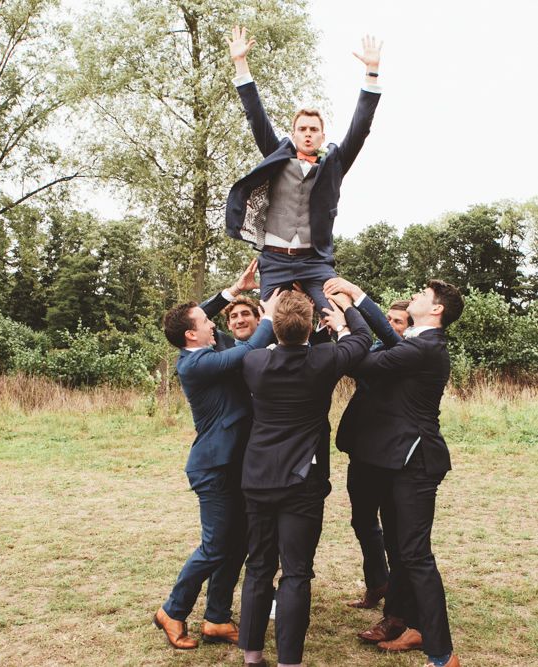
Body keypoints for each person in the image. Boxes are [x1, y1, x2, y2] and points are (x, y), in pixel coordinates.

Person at [237, 291, 372, 667]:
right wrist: (343, 312)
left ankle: (252, 657)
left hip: (258, 476)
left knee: (259, 567)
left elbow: (256, 343)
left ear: (273, 325)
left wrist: (267, 320)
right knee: (296, 572)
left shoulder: (253, 362)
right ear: (312, 327)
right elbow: (363, 340)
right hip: (302, 482)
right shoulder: (324, 359)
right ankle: (289, 662)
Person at [339, 280, 464, 667]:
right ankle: (411, 625)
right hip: (398, 463)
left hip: (417, 463)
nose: (416, 297)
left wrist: (347, 325)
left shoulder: (425, 347)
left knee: (415, 555)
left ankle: (443, 656)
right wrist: (357, 300)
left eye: (424, 296)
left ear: (437, 310)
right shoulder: (418, 342)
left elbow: (364, 361)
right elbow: (389, 340)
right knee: (406, 549)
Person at [154, 289, 282, 650]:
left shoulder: (202, 346)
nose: (214, 324)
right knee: (214, 547)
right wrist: (269, 317)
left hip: (232, 465)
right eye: (207, 322)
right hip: (212, 468)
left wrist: (227, 292)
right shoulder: (195, 363)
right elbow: (247, 351)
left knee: (236, 544)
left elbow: (196, 318)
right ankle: (172, 611)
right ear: (191, 335)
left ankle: (217, 618)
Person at [224, 27, 382, 313]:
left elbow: (360, 129)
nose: (308, 134)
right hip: (274, 259)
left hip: (314, 262)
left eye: (314, 130)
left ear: (322, 136)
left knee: (337, 315)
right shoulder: (277, 156)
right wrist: (240, 63)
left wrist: (371, 72)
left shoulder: (334, 164)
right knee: (269, 326)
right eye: (302, 129)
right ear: (294, 134)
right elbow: (255, 116)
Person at [323, 277, 413, 611]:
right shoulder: (378, 348)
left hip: (389, 455)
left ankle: (399, 597)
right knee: (362, 521)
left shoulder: (406, 357)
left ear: (408, 331)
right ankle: (378, 582)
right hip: (362, 450)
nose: (388, 325)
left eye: (396, 322)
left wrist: (346, 322)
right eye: (387, 319)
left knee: (392, 530)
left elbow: (356, 364)